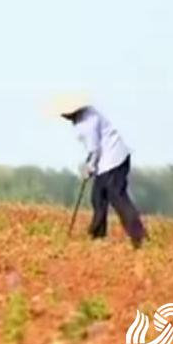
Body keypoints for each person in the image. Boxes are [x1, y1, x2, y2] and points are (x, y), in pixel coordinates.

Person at [52, 94, 146, 247]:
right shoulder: (85, 115)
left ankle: (138, 236)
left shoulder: (86, 123)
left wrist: (89, 168)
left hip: (114, 160)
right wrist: (91, 165)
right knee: (98, 197)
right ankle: (97, 235)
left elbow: (95, 150)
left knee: (118, 198)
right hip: (108, 161)